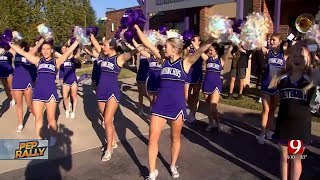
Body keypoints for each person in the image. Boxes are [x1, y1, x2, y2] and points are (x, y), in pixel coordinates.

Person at [135, 24, 214, 179]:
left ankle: (172, 165)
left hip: (177, 106)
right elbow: (148, 44)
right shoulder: (162, 60)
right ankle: (152, 172)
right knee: (152, 137)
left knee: (175, 138)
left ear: (174, 48)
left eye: (166, 47)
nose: (164, 49)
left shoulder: (186, 62)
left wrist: (214, 37)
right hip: (160, 105)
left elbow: (201, 49)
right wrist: (137, 29)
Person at [9, 39, 80, 146]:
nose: (45, 51)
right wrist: (9, 43)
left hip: (51, 93)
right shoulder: (38, 61)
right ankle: (39, 140)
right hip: (38, 93)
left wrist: (76, 42)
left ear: (51, 50)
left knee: (51, 119)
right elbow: (22, 52)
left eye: (48, 49)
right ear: (41, 50)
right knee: (38, 118)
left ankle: (53, 136)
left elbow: (68, 51)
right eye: (43, 49)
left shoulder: (56, 62)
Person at [90, 34, 144, 161]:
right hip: (101, 92)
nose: (103, 47)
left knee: (108, 120)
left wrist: (138, 48)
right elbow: (96, 45)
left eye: (105, 45)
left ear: (112, 47)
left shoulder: (118, 59)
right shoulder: (103, 57)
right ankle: (112, 142)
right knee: (106, 120)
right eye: (102, 45)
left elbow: (130, 54)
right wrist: (90, 35)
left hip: (112, 92)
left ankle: (109, 149)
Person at [269, 42, 313, 180]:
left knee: (295, 158)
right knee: (283, 158)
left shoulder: (311, 80)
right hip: (284, 124)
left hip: (300, 127)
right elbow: (272, 87)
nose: (297, 58)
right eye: (295, 56)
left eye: (302, 56)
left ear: (308, 60)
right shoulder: (282, 78)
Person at [257, 33, 287, 144]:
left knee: (273, 110)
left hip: (277, 87)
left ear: (280, 41)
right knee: (266, 109)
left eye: (273, 40)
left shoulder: (284, 55)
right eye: (270, 40)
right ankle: (262, 133)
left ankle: (268, 131)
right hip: (266, 85)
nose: (271, 41)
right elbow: (259, 44)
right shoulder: (268, 52)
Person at [11, 38, 44, 132]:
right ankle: (20, 123)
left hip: (26, 81)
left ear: (23, 47)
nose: (16, 47)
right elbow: (6, 46)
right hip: (17, 81)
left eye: (18, 46)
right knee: (19, 105)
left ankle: (34, 114)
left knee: (29, 103)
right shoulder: (15, 53)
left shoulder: (29, 53)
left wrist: (42, 39)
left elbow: (37, 46)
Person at [199, 42, 232, 131]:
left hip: (216, 85)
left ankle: (216, 122)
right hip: (206, 84)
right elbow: (199, 51)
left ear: (216, 51)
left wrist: (232, 43)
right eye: (209, 50)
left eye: (211, 50)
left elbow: (227, 52)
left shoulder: (221, 60)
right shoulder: (207, 59)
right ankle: (212, 123)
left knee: (212, 106)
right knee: (209, 107)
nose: (209, 52)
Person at [184, 36, 203, 122]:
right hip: (188, 73)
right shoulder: (189, 49)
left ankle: (193, 113)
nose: (192, 41)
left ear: (199, 42)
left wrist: (194, 45)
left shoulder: (201, 49)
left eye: (194, 40)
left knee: (196, 94)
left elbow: (202, 56)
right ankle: (191, 108)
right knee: (185, 95)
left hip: (197, 73)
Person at [61, 40, 81, 119]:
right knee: (65, 96)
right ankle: (67, 110)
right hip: (66, 81)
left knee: (74, 97)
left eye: (68, 48)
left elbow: (78, 52)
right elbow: (61, 71)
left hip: (73, 81)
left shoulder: (74, 59)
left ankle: (73, 112)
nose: (67, 50)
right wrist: (61, 80)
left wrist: (77, 42)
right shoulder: (63, 59)